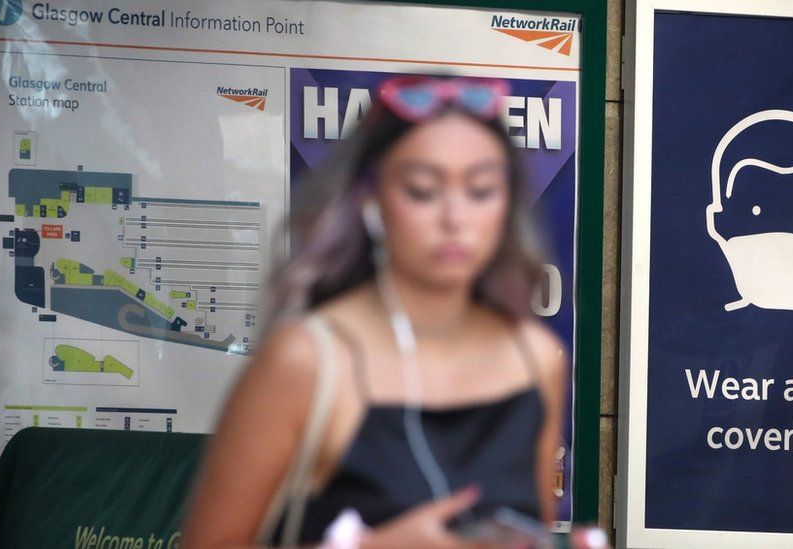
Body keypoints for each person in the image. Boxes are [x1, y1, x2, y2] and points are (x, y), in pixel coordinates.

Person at [181, 75, 574, 548]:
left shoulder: (535, 358)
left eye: (481, 190)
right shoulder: (307, 359)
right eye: (423, 190)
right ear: (370, 196)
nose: (455, 217)